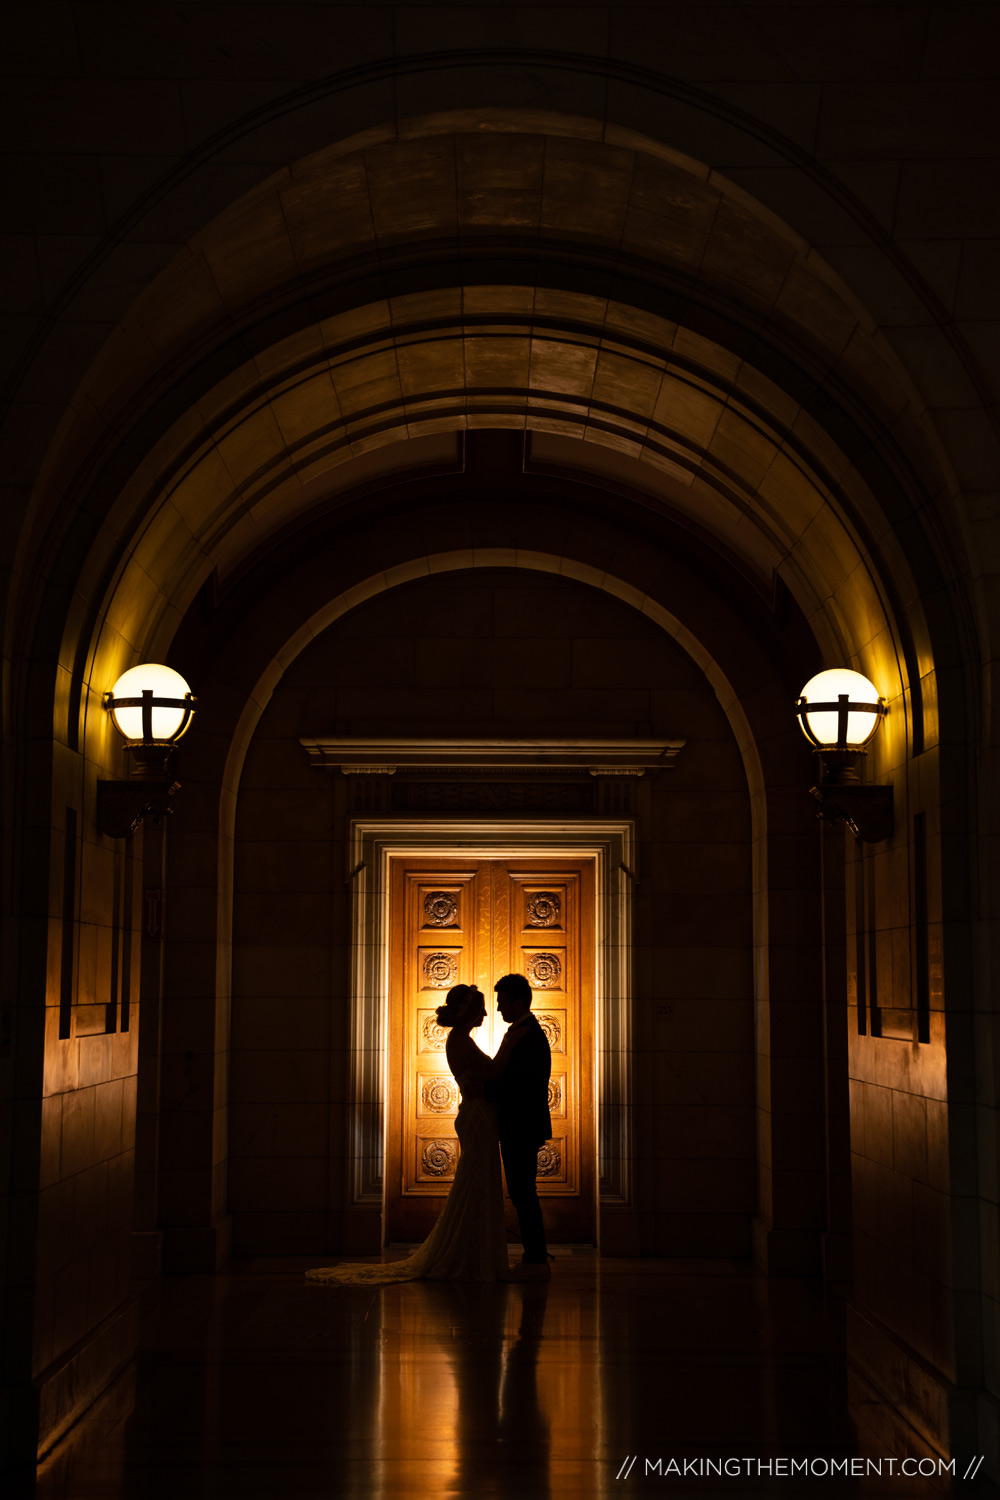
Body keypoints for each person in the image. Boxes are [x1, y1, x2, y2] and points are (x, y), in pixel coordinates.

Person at [306, 983, 524, 1284]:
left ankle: (475, 1254)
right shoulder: (459, 1040)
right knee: (476, 1183)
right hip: (477, 1117)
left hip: (479, 1117)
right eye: (481, 1008)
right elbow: (492, 1074)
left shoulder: (461, 1039)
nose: (487, 1014)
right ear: (468, 1012)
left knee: (477, 1183)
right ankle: (469, 1257)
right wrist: (511, 1044)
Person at [485, 973, 553, 1281]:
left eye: (502, 1002)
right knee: (523, 1192)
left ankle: (536, 1260)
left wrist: (485, 1089)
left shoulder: (525, 1034)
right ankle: (535, 1258)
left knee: (524, 1193)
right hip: (522, 1125)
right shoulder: (524, 1032)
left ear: (517, 1000)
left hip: (520, 1126)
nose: (499, 1009)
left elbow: (516, 1084)